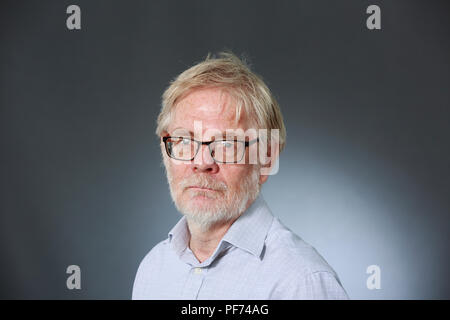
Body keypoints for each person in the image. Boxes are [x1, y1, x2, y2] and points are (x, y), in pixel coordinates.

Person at [132, 52, 348, 299]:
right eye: (185, 140)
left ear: (266, 159)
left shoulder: (301, 283)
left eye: (226, 144)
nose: (202, 163)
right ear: (165, 149)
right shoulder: (153, 269)